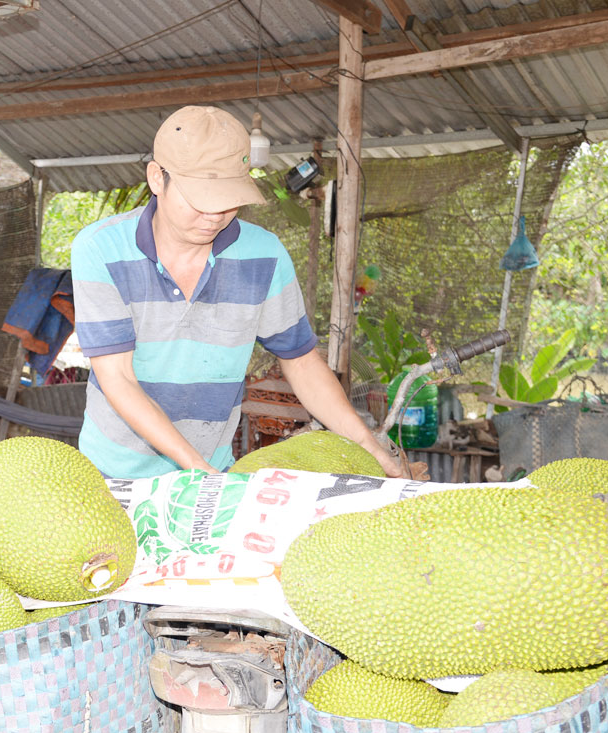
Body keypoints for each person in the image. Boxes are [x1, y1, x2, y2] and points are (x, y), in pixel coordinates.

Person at [71, 105, 403, 480]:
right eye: (200, 196)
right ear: (156, 178)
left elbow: (302, 362)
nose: (215, 214)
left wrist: (368, 445)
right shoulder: (101, 249)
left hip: (212, 467)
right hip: (112, 475)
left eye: (228, 197)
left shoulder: (265, 255)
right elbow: (118, 377)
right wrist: (197, 468)